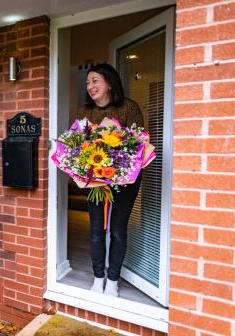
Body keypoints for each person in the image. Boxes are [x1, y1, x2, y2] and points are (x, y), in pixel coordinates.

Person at [77, 63, 144, 297]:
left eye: (95, 81)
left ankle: (113, 280)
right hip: (96, 180)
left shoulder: (129, 108)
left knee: (117, 229)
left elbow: (138, 144)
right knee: (96, 229)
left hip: (126, 180)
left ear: (109, 83)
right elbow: (77, 147)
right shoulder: (85, 112)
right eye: (87, 83)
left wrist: (116, 162)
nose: (90, 86)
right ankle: (98, 278)